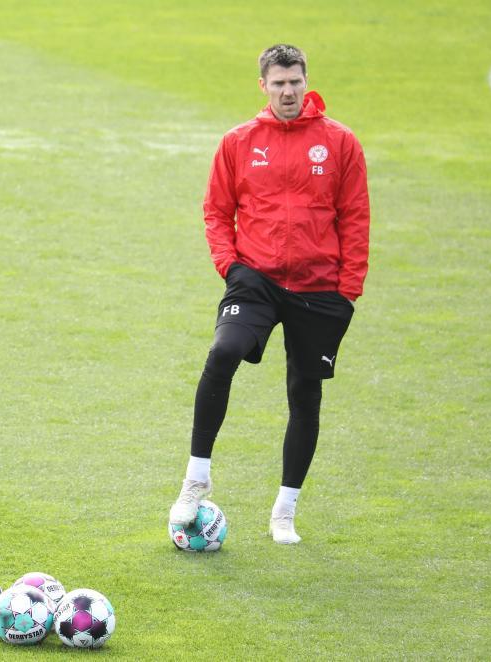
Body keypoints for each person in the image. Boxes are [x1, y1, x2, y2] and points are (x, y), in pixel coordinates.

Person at [168, 44, 370, 544]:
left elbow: (356, 217)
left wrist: (347, 292)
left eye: (295, 81)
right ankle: (196, 479)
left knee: (305, 393)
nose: (288, 91)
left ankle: (285, 510)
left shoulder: (340, 143)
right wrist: (229, 264)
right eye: (279, 83)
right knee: (223, 351)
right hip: (255, 279)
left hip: (319, 288)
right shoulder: (239, 141)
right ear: (263, 85)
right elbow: (216, 210)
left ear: (306, 81)